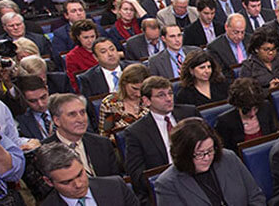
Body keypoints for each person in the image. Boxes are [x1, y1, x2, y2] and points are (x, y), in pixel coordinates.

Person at [124, 76, 201, 204]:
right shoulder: (136, 132)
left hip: (199, 176)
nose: (169, 99)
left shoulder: (190, 113)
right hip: (166, 187)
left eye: (170, 93)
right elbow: (137, 176)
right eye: (161, 95)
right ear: (146, 100)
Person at [156, 117, 267, 205]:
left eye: (210, 150)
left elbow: (256, 197)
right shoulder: (167, 184)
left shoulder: (228, 158)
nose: (207, 158)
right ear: (183, 153)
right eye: (199, 154)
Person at [43, 93, 123, 177]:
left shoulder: (103, 143)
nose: (81, 119)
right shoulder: (45, 152)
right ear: (57, 120)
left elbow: (115, 180)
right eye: (72, 114)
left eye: (82, 112)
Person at [36, 142, 139, 206]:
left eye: (80, 174)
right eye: (67, 182)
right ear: (48, 181)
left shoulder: (115, 186)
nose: (78, 184)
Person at [215, 77, 279, 150]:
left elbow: (274, 136)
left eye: (255, 109)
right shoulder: (225, 121)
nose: (252, 114)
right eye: (247, 110)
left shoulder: (266, 107)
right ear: (238, 105)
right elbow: (226, 151)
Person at [98, 63, 151, 138]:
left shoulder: (151, 100)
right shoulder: (110, 103)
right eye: (134, 89)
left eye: (142, 89)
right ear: (124, 83)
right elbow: (105, 136)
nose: (139, 94)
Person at [15, 75, 55, 141]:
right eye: (33, 101)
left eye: (43, 97)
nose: (40, 104)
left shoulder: (62, 108)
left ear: (47, 90)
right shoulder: (22, 121)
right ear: (24, 99)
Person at [65, 19, 100, 92]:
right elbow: (76, 85)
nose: (90, 41)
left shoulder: (103, 48)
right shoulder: (72, 57)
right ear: (78, 37)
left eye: (92, 36)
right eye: (86, 37)